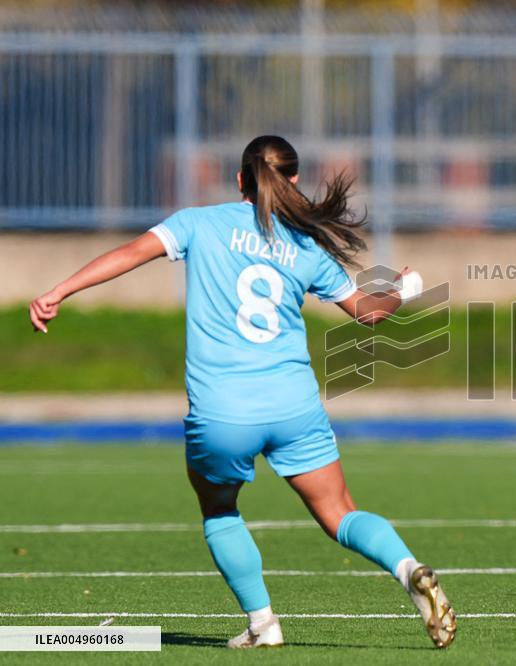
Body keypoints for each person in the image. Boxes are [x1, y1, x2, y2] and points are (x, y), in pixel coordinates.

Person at [28, 135, 456, 648]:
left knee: (219, 510)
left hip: (222, 412)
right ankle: (407, 567)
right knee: (340, 511)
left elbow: (129, 254)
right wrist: (404, 287)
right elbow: (368, 312)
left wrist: (58, 292)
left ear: (239, 181)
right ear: (293, 181)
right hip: (293, 405)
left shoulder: (197, 223)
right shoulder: (307, 248)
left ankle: (263, 625)